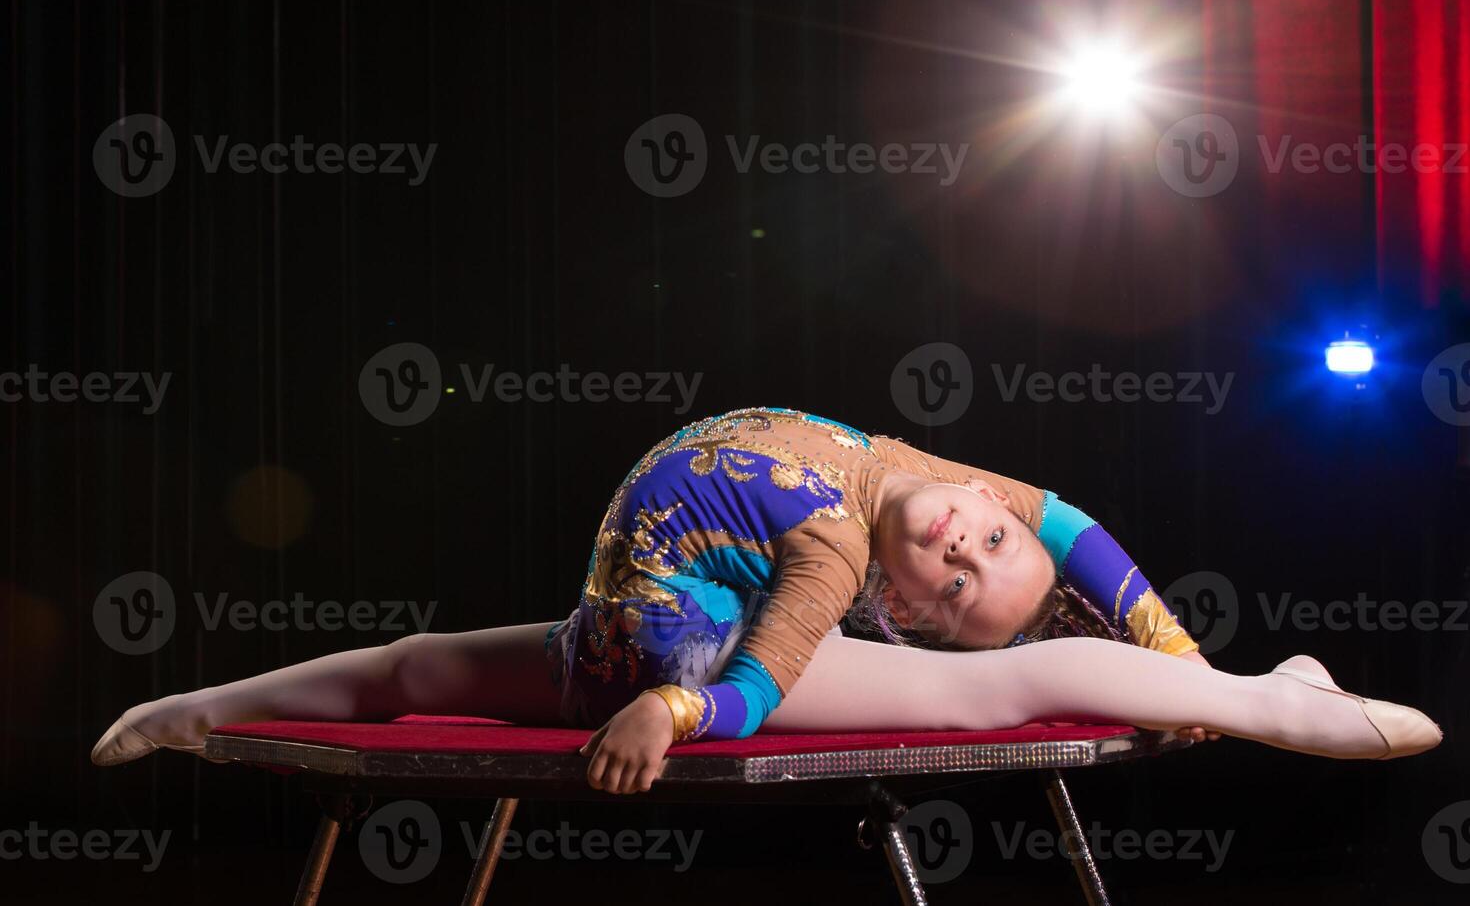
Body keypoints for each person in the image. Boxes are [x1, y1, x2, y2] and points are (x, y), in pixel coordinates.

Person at [92, 407, 1442, 794]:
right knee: (409, 667)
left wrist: (679, 706)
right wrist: (1164, 633)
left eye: (957, 580)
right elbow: (1066, 527)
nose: (965, 541)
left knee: (1005, 682)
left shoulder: (838, 554)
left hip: (685, 667)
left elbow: (779, 656)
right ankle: (189, 705)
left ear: (899, 613)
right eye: (982, 533)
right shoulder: (931, 476)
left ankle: (1282, 708)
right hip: (598, 644)